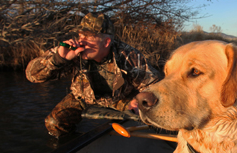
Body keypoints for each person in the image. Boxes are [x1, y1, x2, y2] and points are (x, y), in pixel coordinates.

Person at [26, 13, 162, 137]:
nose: (81, 42)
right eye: (80, 36)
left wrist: (138, 100)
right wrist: (58, 59)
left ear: (106, 42)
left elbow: (155, 84)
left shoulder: (128, 55)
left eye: (88, 37)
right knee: (54, 122)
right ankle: (73, 148)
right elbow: (32, 76)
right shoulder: (70, 50)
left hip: (120, 99)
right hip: (82, 97)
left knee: (146, 115)